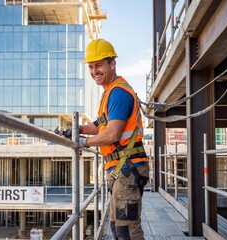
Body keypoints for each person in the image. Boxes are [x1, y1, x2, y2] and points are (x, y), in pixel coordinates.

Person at [78, 39, 149, 240]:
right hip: (122, 169)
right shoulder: (111, 93)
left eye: (99, 65)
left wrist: (84, 142)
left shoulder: (117, 93)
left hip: (127, 169)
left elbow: (112, 134)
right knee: (117, 228)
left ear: (112, 64)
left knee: (127, 230)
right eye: (91, 67)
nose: (94, 71)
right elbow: (100, 125)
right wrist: (79, 129)